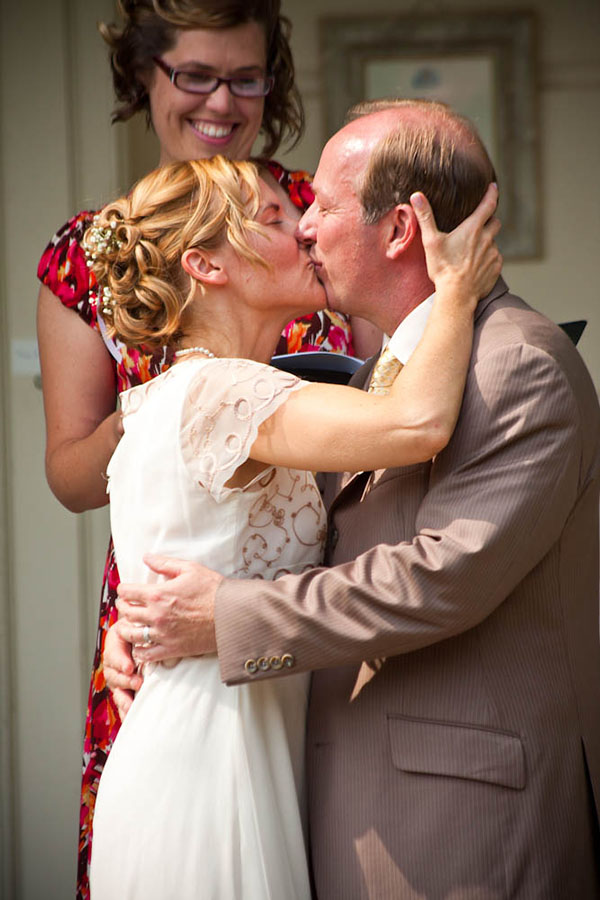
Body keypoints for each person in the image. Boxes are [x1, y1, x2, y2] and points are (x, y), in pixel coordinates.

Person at [109, 99, 600, 898]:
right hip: (284, 782)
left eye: (320, 207)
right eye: (282, 212)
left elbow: (440, 575)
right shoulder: (356, 380)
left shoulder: (516, 363)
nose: (303, 226)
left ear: (401, 229)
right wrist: (140, 621)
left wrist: (223, 616)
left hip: (457, 819)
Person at [35, 3, 377, 894]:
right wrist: (178, 407)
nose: (222, 102)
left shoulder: (304, 222)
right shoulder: (86, 255)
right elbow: (72, 471)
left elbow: (399, 369)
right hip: (175, 594)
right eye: (196, 74)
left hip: (331, 574)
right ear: (144, 78)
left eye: (247, 77)